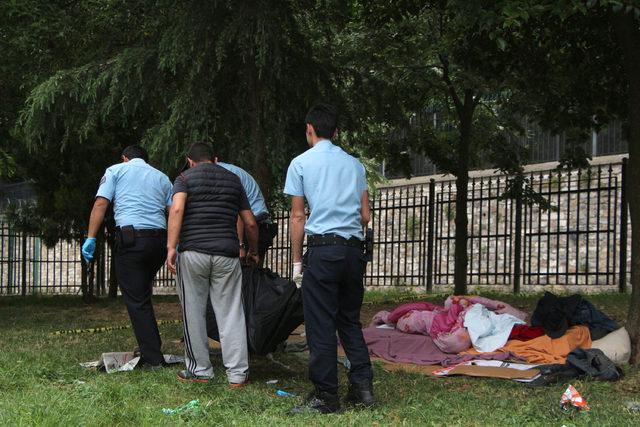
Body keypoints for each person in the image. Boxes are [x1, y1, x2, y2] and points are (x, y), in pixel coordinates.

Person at [284, 103, 374, 414]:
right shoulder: (355, 165)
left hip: (322, 251)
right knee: (348, 320)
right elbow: (365, 215)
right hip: (352, 251)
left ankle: (326, 396)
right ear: (336, 132)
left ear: (309, 129)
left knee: (320, 323)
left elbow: (298, 216)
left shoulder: (300, 164)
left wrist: (297, 262)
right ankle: (362, 388)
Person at [166, 142, 259, 386]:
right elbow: (249, 222)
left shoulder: (184, 177)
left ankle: (200, 371)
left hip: (194, 253)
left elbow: (176, 210)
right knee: (231, 313)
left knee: (193, 311)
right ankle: (238, 374)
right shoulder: (233, 179)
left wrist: (170, 247)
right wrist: (253, 250)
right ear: (215, 159)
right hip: (227, 255)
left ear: (190, 160)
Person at [81, 145, 172, 368]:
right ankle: (151, 345)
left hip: (132, 241)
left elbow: (101, 203)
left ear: (125, 158)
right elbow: (174, 210)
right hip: (159, 242)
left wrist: (91, 237)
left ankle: (153, 358)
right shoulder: (162, 177)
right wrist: (174, 244)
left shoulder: (115, 171)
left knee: (136, 299)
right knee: (142, 293)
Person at [215, 160, 277, 265]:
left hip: (251, 227)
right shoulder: (228, 171)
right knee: (252, 276)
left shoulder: (225, 174)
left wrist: (240, 245)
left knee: (246, 275)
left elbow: (238, 213)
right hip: (257, 225)